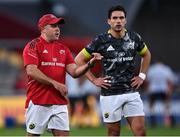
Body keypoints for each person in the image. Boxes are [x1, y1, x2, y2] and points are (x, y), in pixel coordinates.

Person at [75, 5, 151, 136]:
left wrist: (142, 76)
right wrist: (93, 80)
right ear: (109, 21)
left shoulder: (134, 37)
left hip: (130, 91)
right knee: (114, 133)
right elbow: (78, 60)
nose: (118, 21)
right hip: (110, 94)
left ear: (125, 20)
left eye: (121, 18)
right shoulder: (100, 40)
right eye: (115, 18)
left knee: (140, 132)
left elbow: (146, 54)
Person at [22, 14, 103, 136]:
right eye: (53, 26)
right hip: (38, 101)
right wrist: (54, 83)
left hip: (59, 101)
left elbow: (75, 72)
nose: (57, 29)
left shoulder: (64, 49)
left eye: (58, 26)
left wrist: (90, 63)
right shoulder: (33, 46)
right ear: (43, 28)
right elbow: (31, 71)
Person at [146, 60, 175, 127]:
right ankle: (171, 121)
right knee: (167, 105)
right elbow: (170, 80)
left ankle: (153, 121)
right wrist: (170, 90)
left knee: (151, 105)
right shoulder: (166, 69)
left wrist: (148, 89)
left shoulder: (152, 69)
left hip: (153, 90)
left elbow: (147, 81)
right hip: (164, 89)